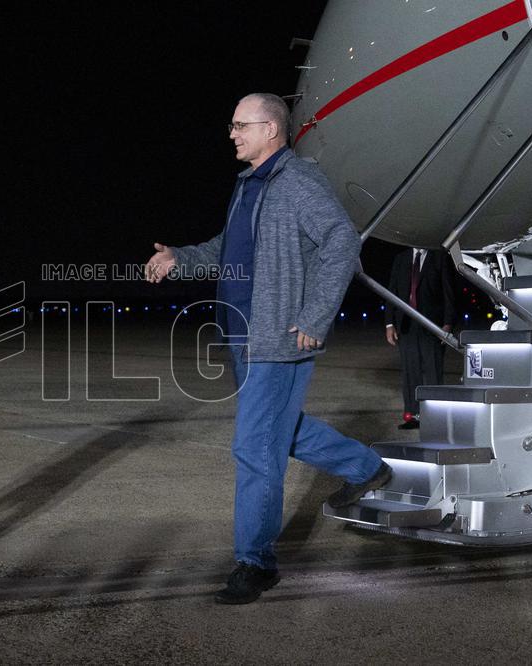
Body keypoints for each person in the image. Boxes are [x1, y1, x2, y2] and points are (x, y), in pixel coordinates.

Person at [145, 93, 391, 605]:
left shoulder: (298, 181)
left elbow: (342, 240)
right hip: (241, 335)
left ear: (271, 131)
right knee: (282, 429)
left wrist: (315, 316)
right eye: (232, 125)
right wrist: (179, 258)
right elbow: (224, 250)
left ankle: (255, 563)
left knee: (255, 448)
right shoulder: (248, 185)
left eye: (240, 125)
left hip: (278, 337)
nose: (232, 133)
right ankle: (369, 469)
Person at [385, 247, 457, 429]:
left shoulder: (440, 257)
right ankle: (413, 415)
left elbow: (449, 291)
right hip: (406, 325)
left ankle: (436, 417)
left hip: (432, 325)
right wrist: (389, 323)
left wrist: (448, 324)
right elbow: (391, 291)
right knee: (410, 372)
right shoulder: (401, 259)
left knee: (433, 371)